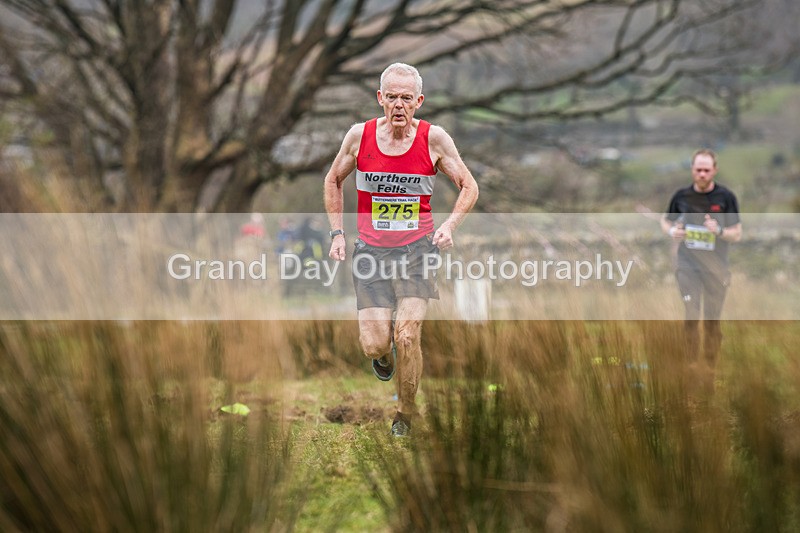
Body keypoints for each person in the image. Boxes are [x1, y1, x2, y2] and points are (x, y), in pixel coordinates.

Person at [324, 63, 479, 436]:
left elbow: (469, 186)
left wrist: (448, 226)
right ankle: (383, 357)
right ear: (380, 98)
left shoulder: (434, 139)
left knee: (407, 334)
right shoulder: (358, 137)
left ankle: (405, 415)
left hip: (417, 251)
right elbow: (333, 179)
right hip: (371, 253)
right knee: (375, 344)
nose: (397, 105)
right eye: (390, 97)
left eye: (406, 98)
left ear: (418, 101)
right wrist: (337, 234)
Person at [661, 149, 741, 373]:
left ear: (714, 170)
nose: (702, 174)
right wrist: (673, 232)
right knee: (691, 313)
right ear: (692, 170)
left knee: (712, 320)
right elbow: (666, 222)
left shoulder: (726, 198)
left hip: (716, 268)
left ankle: (710, 368)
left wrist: (719, 230)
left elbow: (737, 233)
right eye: (698, 169)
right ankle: (691, 366)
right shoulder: (681, 196)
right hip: (687, 265)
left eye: (707, 170)